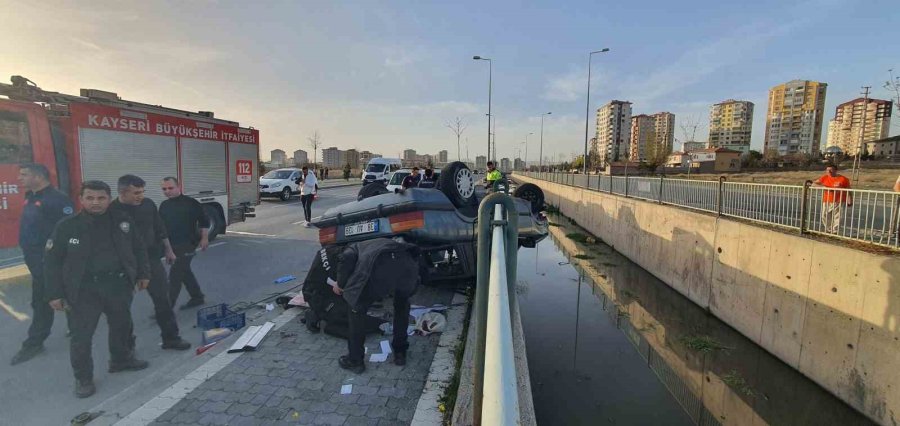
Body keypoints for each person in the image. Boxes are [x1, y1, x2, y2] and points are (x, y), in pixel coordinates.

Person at [44, 180, 151, 398]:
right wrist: (54, 294)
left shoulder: (122, 220)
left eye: (101, 198)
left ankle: (120, 360)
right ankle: (83, 378)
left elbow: (138, 247)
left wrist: (143, 273)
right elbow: (52, 262)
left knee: (121, 325)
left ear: (109, 199)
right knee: (81, 337)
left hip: (118, 285)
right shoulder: (67, 226)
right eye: (90, 198)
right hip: (83, 290)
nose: (96, 202)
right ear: (81, 199)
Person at [110, 175, 190, 350]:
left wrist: (169, 250)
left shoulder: (148, 204)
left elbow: (159, 228)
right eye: (136, 193)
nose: (141, 196)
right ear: (122, 192)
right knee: (121, 309)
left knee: (163, 300)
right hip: (124, 264)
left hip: (151, 260)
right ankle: (125, 353)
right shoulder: (111, 211)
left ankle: (171, 339)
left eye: (142, 192)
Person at [10, 164, 74, 366]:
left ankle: (34, 343)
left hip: (50, 261)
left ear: (38, 176)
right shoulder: (31, 196)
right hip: (35, 260)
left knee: (44, 301)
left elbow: (68, 232)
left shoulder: (58, 200)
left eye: (24, 175)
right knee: (54, 298)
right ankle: (75, 326)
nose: (19, 178)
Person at [333, 238, 420, 373]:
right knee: (402, 306)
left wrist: (340, 284)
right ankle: (400, 352)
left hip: (380, 268)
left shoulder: (352, 249)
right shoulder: (374, 243)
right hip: (406, 266)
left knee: (356, 309)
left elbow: (346, 259)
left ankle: (355, 360)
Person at [301, 245, 384, 337]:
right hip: (319, 298)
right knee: (352, 319)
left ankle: (320, 313)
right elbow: (343, 288)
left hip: (318, 289)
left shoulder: (337, 251)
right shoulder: (345, 263)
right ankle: (321, 319)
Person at [159, 177, 210, 309]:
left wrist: (204, 238)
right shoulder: (164, 206)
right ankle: (197, 297)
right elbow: (161, 227)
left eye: (170, 188)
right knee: (185, 272)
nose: (167, 191)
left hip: (188, 243)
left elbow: (204, 221)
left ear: (179, 187)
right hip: (172, 245)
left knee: (175, 276)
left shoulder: (191, 203)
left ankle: (166, 309)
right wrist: (165, 248)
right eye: (164, 189)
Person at [812, 164, 853, 234]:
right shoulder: (824, 178)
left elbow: (848, 190)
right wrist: (823, 187)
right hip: (827, 200)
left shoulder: (843, 179)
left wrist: (850, 199)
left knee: (838, 217)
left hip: (839, 201)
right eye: (827, 170)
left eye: (831, 170)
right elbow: (813, 184)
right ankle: (828, 230)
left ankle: (834, 231)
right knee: (824, 216)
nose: (829, 172)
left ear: (836, 170)